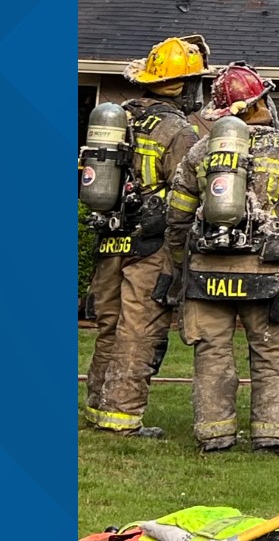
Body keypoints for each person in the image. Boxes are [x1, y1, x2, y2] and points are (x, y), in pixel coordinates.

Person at [164, 63, 279, 456]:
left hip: (206, 271)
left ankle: (215, 435)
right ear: (257, 104)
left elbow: (177, 217)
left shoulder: (202, 151)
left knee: (212, 352)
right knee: (271, 350)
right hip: (267, 271)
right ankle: (272, 436)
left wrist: (179, 264)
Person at [81, 35, 210, 438]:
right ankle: (124, 418)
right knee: (139, 328)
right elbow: (191, 190)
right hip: (151, 243)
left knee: (109, 324)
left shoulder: (117, 117)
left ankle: (98, 408)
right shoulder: (178, 130)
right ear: (184, 85)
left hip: (111, 235)